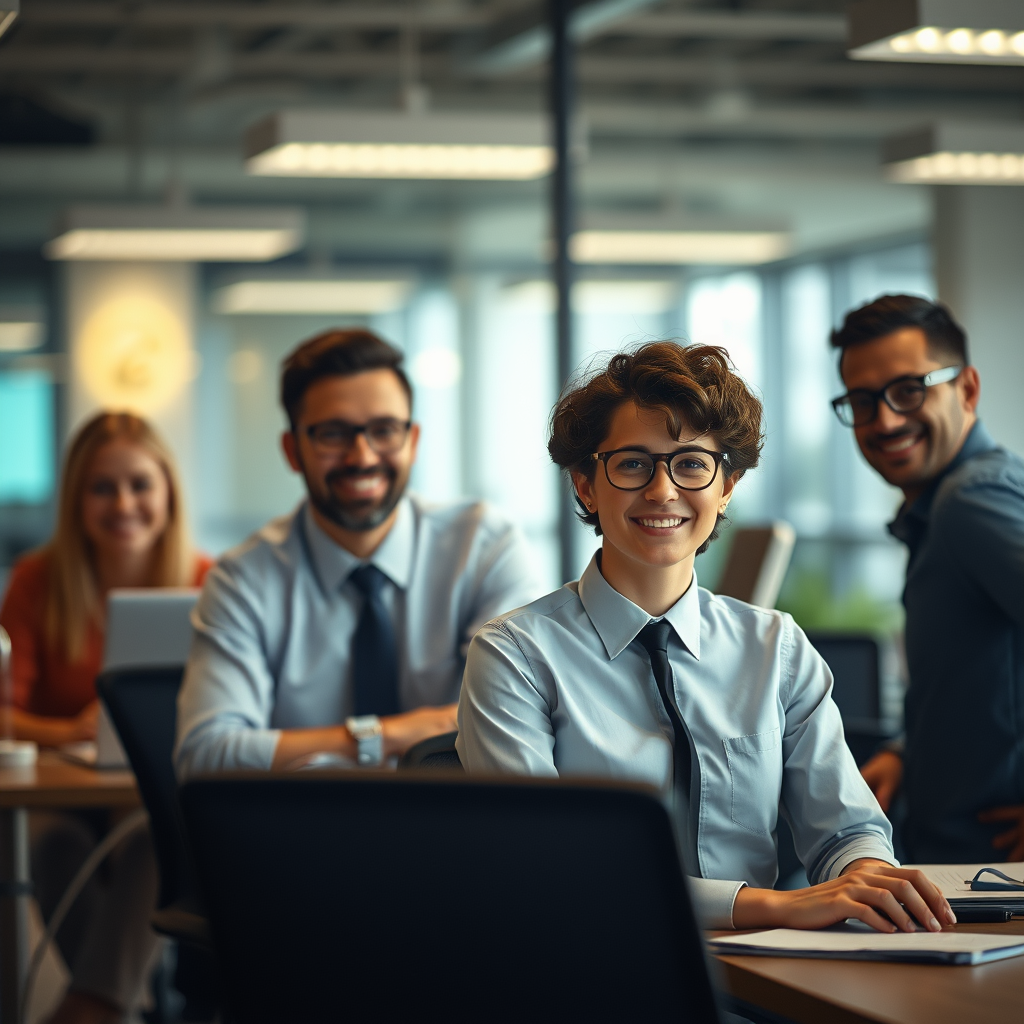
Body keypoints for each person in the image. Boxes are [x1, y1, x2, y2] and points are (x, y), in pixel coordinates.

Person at [457, 341, 953, 932]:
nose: (664, 491)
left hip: (767, 974)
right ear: (586, 484)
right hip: (589, 964)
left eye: (692, 463)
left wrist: (865, 874)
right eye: (633, 463)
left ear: (727, 486)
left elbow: (846, 829)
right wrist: (769, 906)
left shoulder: (777, 648)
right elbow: (545, 864)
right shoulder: (515, 655)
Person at [175, 328, 540, 778]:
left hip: (459, 828)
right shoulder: (244, 578)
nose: (362, 456)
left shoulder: (484, 546)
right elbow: (206, 753)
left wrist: (311, 746)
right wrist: (384, 736)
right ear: (293, 450)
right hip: (306, 833)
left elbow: (518, 715)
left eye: (385, 430)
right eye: (333, 434)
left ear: (413, 440)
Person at [0, 411, 212, 1024]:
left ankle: (91, 1009)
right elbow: (4, 713)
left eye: (140, 484)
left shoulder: (209, 580)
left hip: (145, 786)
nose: (124, 503)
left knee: (153, 838)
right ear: (76, 499)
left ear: (168, 489)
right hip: (58, 787)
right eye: (102, 487)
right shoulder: (37, 581)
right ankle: (117, 1006)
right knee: (54, 844)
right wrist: (68, 730)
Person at [831, 295, 1024, 863]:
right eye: (863, 401)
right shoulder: (948, 502)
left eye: (909, 390)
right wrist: (908, 750)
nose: (886, 420)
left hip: (992, 881)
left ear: (966, 389)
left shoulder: (970, 501)